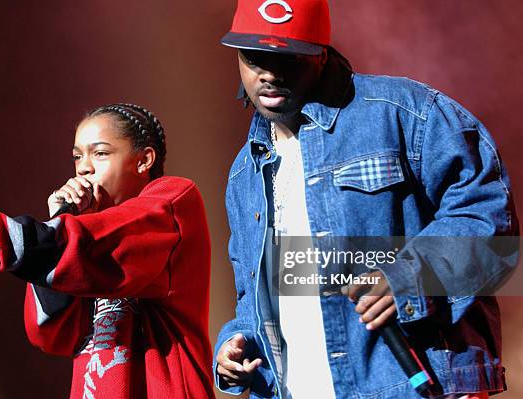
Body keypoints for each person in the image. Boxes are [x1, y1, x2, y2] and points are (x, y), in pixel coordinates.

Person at [214, 1, 518, 398]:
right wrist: (234, 343)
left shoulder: (407, 114)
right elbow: (255, 293)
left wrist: (410, 276)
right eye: (256, 59)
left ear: (320, 53)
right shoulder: (245, 173)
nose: (270, 74)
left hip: (410, 387)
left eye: (288, 59)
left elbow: (492, 228)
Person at [0, 103, 216, 399]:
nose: (84, 167)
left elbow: (100, 245)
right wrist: (62, 218)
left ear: (144, 160)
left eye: (100, 153)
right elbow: (50, 334)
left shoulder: (173, 201)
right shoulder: (86, 232)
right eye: (78, 156)